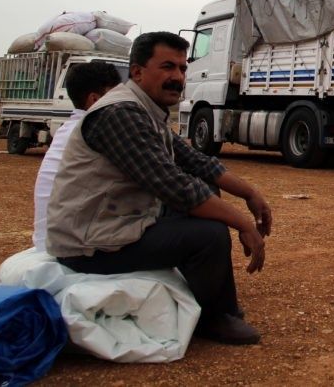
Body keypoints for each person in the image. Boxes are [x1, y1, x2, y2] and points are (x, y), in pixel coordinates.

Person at [46, 32, 273, 345]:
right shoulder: (120, 114)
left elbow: (195, 161)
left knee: (207, 191)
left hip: (120, 222)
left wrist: (250, 194)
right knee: (208, 233)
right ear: (138, 72)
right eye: (167, 67)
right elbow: (174, 186)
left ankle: (211, 298)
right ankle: (214, 317)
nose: (177, 77)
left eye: (182, 68)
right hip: (91, 244)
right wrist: (242, 222)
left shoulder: (144, 109)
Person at [32, 61, 121, 252]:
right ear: (94, 99)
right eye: (117, 97)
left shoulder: (69, 128)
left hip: (49, 238)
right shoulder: (95, 131)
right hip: (71, 244)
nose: (124, 103)